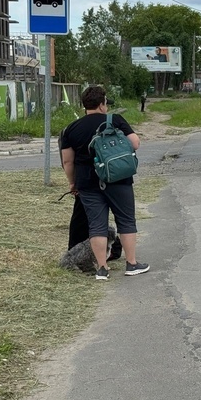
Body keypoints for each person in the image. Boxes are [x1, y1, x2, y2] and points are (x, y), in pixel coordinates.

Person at [60, 86, 149, 281]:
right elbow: (134, 143)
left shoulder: (70, 129)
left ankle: (102, 268)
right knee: (126, 220)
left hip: (87, 183)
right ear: (102, 104)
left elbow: (67, 161)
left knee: (96, 225)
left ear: (84, 105)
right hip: (118, 179)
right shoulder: (115, 120)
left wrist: (72, 183)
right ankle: (132, 264)